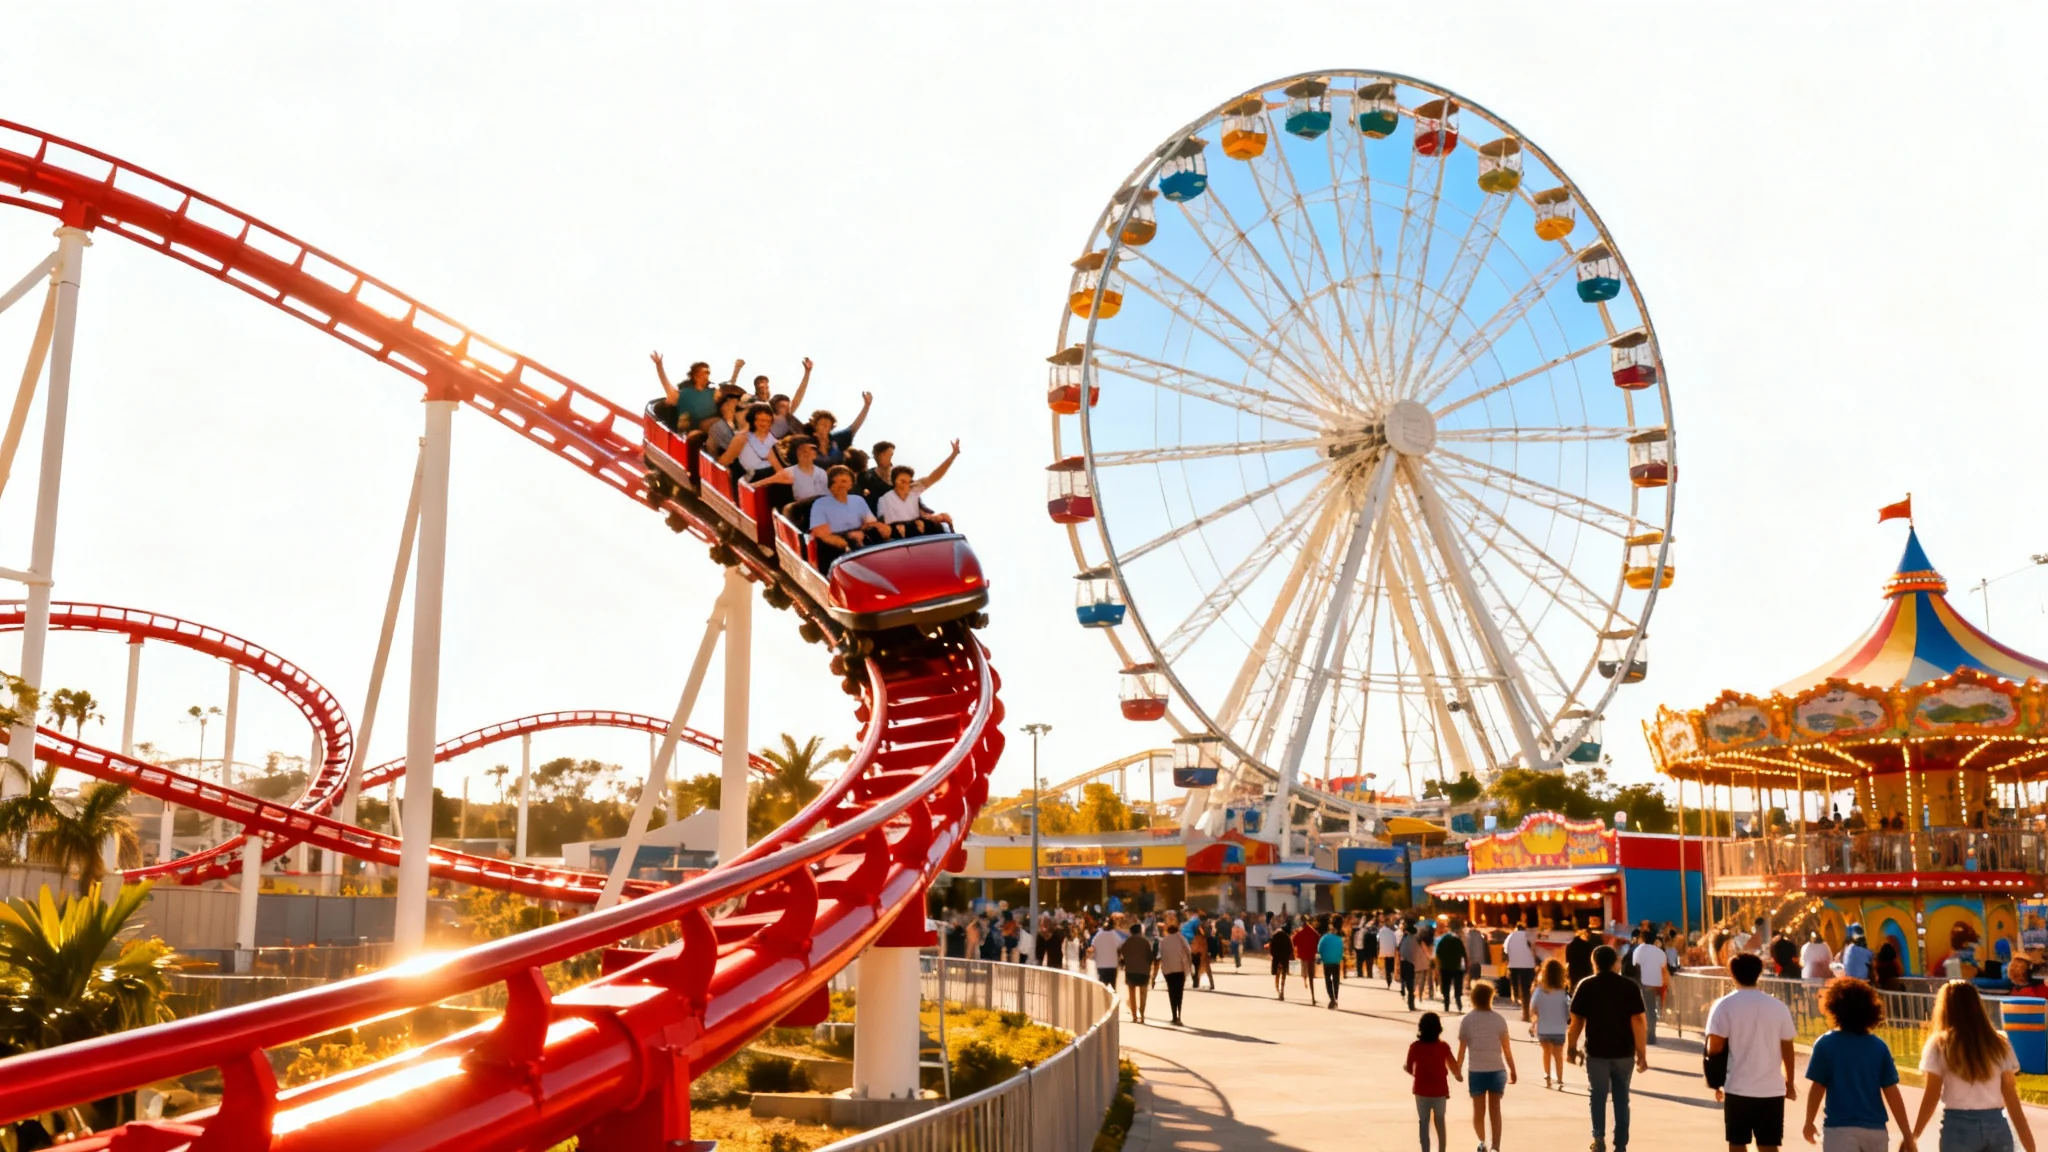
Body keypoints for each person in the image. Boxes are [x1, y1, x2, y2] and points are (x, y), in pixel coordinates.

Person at [1911, 979, 2035, 1152]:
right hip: (1997, 1124)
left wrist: (1913, 1136)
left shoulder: (1941, 1044)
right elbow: (2011, 1097)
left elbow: (1932, 1095)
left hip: (1959, 1127)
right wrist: (2029, 1143)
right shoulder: (1999, 1043)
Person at [1802, 977, 1916, 1152]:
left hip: (1839, 1128)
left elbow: (1818, 1087)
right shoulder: (1879, 1047)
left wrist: (1809, 1122)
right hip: (1875, 1129)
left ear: (1835, 1009)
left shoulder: (1825, 1044)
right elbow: (1892, 1092)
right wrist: (1907, 1134)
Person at [1705, 953, 1797, 1152]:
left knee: (1737, 1143)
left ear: (1732, 974)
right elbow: (1788, 1048)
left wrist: (1714, 1080)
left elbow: (1715, 1047)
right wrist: (1789, 1082)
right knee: (1769, 1144)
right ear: (1759, 973)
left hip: (1738, 1087)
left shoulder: (1723, 1006)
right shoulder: (1778, 1007)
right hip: (1772, 1089)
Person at [1567, 944, 1648, 1152]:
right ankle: (1620, 1144)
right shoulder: (1630, 987)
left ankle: (1599, 1138)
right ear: (1615, 963)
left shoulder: (1586, 985)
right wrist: (1642, 1054)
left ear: (1594, 963)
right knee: (1622, 1098)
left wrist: (1571, 1048)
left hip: (1597, 1052)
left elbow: (1576, 1022)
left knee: (1598, 1095)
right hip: (1624, 1052)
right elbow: (1638, 1021)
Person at [1458, 982, 1516, 1152]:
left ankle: (1482, 1142)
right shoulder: (1499, 1020)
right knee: (1495, 1110)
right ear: (1491, 997)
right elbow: (1507, 1049)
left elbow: (1461, 1050)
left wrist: (1458, 1069)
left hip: (1476, 1071)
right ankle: (1496, 1147)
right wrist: (1512, 1069)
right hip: (1497, 1070)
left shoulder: (1467, 1020)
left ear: (1473, 998)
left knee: (1478, 1111)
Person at [1407, 1011, 1462, 1152]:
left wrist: (1416, 1073)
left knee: (1424, 1122)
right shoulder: (1443, 1047)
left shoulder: (1415, 1047)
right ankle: (1441, 1150)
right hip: (1440, 1091)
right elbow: (1453, 1064)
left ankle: (1425, 1150)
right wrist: (1458, 1075)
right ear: (1438, 1028)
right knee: (1440, 1122)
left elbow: (1409, 1068)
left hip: (1421, 1090)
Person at [808, 466, 882, 567]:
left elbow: (871, 523)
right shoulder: (820, 504)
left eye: (843, 481)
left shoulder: (858, 500)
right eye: (834, 481)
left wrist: (863, 532)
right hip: (834, 547)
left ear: (851, 484)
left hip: (860, 540)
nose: (840, 485)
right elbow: (823, 535)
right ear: (829, 485)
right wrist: (847, 543)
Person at [1527, 957, 1572, 1089]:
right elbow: (1569, 1007)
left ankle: (1547, 1075)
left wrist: (1535, 1019)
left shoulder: (1540, 990)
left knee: (1546, 1052)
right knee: (1558, 1055)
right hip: (1559, 1027)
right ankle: (1559, 1078)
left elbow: (1533, 1007)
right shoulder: (1564, 990)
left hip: (1544, 1026)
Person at [649, 352, 722, 433]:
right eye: (701, 373)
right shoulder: (685, 393)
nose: (704, 376)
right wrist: (659, 366)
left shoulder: (712, 391)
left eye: (707, 373)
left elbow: (729, 395)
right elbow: (668, 388)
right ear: (694, 375)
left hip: (712, 428)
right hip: (692, 431)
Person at [806, 395, 874, 466]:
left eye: (827, 425)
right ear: (815, 425)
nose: (824, 427)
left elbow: (854, 427)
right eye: (822, 424)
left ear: (831, 428)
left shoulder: (836, 439)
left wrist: (866, 406)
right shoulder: (808, 442)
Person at [1156, 913, 1192, 1026]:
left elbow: (1161, 955)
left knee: (1171, 992)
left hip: (1168, 970)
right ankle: (1179, 1015)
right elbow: (1188, 951)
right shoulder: (1181, 938)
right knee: (1179, 993)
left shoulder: (1163, 941)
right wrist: (1189, 966)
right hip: (1180, 969)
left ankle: (1173, 1016)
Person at [1635, 929, 1669, 1045]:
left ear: (1642, 939)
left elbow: (1635, 965)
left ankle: (1645, 1033)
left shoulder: (1638, 950)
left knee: (1643, 1010)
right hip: (1655, 983)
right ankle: (1652, 1033)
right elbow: (1663, 967)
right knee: (1651, 1009)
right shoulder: (1659, 952)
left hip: (1642, 983)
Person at [1120, 922, 1154, 1024]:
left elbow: (1123, 954)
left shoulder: (1127, 942)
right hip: (1144, 971)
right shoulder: (1145, 941)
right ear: (1140, 931)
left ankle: (1134, 1016)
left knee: (1132, 994)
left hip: (1131, 970)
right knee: (1143, 994)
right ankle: (1142, 1015)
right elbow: (1150, 956)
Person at [1435, 920, 1468, 1012]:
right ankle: (1458, 1002)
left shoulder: (1443, 940)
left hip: (1445, 967)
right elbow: (1464, 955)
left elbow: (1438, 954)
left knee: (1446, 987)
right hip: (1457, 967)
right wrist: (1467, 968)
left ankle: (1446, 1005)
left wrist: (1438, 968)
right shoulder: (1458, 940)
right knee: (1458, 986)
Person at [1505, 920, 1538, 1006]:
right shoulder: (1528, 936)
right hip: (1528, 964)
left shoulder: (1511, 936)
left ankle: (1516, 998)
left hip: (1514, 964)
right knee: (1526, 983)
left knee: (1515, 982)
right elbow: (1535, 948)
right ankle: (1526, 998)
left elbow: (1506, 949)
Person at [1090, 914, 1126, 989]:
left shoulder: (1098, 935)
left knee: (1102, 987)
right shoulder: (1115, 935)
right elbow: (1120, 948)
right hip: (1112, 965)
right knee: (1113, 987)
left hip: (1101, 965)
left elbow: (1093, 947)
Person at [1403, 921, 1432, 1012]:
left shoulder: (1409, 939)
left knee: (1414, 981)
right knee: (1421, 980)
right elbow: (1426, 952)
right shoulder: (1420, 941)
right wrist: (1430, 959)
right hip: (1422, 963)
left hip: (1414, 963)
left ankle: (1414, 997)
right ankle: (1419, 996)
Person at [1294, 917, 1323, 1005]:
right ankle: (1312, 995)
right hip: (1311, 956)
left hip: (1304, 956)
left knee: (1304, 973)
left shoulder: (1300, 932)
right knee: (1311, 976)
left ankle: (1305, 981)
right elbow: (1319, 943)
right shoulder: (1313, 932)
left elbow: (1293, 942)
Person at [1319, 918, 1346, 1009]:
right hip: (1336, 962)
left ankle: (1332, 998)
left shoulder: (1324, 938)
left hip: (1327, 961)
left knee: (1328, 980)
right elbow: (1342, 950)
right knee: (1336, 980)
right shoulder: (1339, 939)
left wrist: (1322, 956)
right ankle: (1336, 998)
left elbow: (1319, 949)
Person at [1270, 914, 1296, 1000]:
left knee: (1277, 975)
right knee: (1283, 976)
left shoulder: (1275, 935)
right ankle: (1282, 991)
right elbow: (1290, 949)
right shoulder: (1287, 938)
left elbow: (1271, 948)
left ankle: (1278, 991)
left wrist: (1273, 955)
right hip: (1284, 959)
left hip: (1277, 959)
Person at [1566, 923, 1597, 990]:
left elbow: (1567, 962)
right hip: (1585, 974)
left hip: (1574, 975)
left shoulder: (1570, 946)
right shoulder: (1588, 946)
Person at [1465, 920, 1491, 996]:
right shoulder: (1480, 934)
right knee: (1477, 975)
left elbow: (1468, 948)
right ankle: (1477, 989)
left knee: (1472, 974)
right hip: (1480, 959)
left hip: (1473, 959)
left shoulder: (1468, 935)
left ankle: (1473, 989)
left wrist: (1468, 958)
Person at [1380, 916, 1402, 988]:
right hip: (1392, 952)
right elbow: (1395, 943)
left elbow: (1379, 941)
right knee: (1391, 966)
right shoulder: (1393, 932)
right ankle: (1390, 978)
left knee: (1387, 967)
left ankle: (1388, 980)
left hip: (1385, 952)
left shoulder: (1381, 931)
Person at [1356, 913, 1378, 979]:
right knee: (1367, 962)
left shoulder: (1373, 929)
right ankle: (1368, 974)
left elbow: (1375, 937)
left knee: (1369, 963)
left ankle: (1369, 975)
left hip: (1370, 948)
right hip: (1366, 948)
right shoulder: (1366, 928)